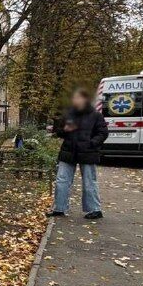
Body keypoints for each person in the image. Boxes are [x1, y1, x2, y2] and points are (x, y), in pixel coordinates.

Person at [46, 88, 108, 220]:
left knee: (89, 182)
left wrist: (92, 143)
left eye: (77, 98)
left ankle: (95, 210)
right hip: (68, 151)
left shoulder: (95, 115)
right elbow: (58, 131)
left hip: (88, 152)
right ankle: (59, 208)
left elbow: (103, 133)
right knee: (61, 180)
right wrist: (65, 129)